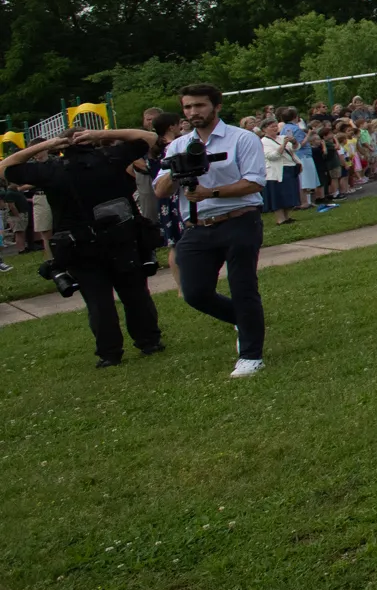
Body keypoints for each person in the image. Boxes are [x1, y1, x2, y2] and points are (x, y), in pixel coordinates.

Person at [3, 126, 165, 368]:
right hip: (121, 237)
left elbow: (5, 168)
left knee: (98, 301)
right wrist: (101, 135)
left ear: (61, 147)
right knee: (135, 293)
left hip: (80, 245)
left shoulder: (51, 170)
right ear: (90, 140)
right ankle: (149, 341)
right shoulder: (111, 157)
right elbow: (150, 138)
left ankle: (109, 353)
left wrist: (46, 145)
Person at [155, 84, 271, 377]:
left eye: (200, 106)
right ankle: (244, 320)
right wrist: (175, 170)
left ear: (216, 106)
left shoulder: (241, 139)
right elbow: (159, 190)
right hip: (197, 226)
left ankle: (251, 355)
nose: (193, 112)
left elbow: (254, 182)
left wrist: (212, 193)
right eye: (188, 107)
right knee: (194, 292)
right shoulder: (178, 145)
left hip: (239, 219)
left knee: (243, 286)